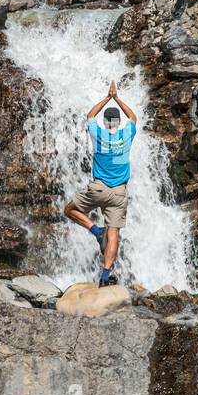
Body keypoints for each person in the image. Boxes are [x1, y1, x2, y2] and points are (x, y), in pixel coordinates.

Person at [64, 79, 138, 286]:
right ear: (118, 122)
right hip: (119, 193)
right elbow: (132, 116)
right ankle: (105, 276)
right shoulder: (126, 135)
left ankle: (95, 231)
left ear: (106, 122)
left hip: (98, 189)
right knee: (113, 233)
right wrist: (118, 98)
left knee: (69, 210)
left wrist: (107, 98)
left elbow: (90, 115)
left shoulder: (98, 135)